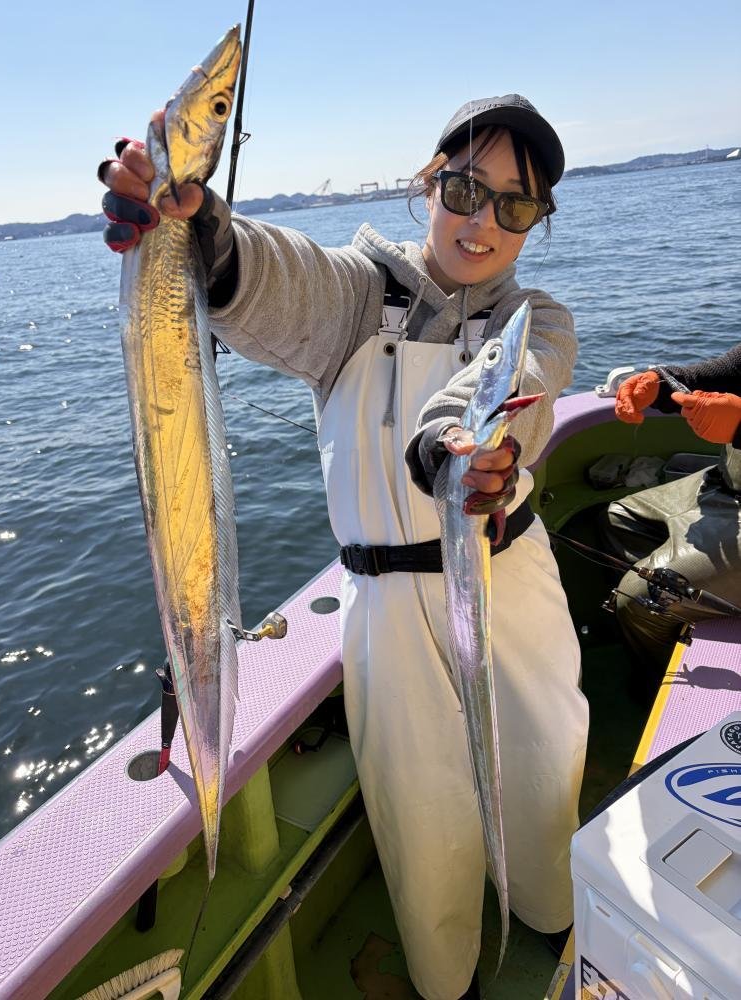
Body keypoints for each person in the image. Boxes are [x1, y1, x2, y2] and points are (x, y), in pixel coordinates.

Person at [99, 95, 589, 1000]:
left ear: (537, 222)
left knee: (544, 764)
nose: (481, 223)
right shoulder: (359, 296)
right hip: (387, 611)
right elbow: (279, 278)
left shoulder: (539, 317)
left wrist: (464, 452)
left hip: (508, 579)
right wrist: (202, 231)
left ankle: (553, 919)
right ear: (427, 186)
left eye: (515, 205)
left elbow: (517, 385)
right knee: (421, 809)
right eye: (463, 189)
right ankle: (450, 981)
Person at [610, 349, 741, 675]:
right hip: (726, 482)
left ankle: (658, 688)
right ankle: (683, 616)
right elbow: (729, 370)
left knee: (638, 598)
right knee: (619, 518)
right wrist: (662, 383)